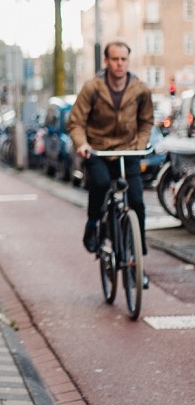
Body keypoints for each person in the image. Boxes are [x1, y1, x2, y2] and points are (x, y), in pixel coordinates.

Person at [67, 40, 153, 287]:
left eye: (124, 59)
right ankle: (93, 223)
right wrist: (82, 145)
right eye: (115, 59)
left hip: (129, 151)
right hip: (98, 150)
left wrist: (140, 145)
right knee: (102, 184)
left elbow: (146, 122)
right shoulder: (92, 88)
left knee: (136, 200)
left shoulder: (140, 90)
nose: (120, 64)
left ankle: (137, 260)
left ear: (128, 61)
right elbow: (76, 122)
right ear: (106, 61)